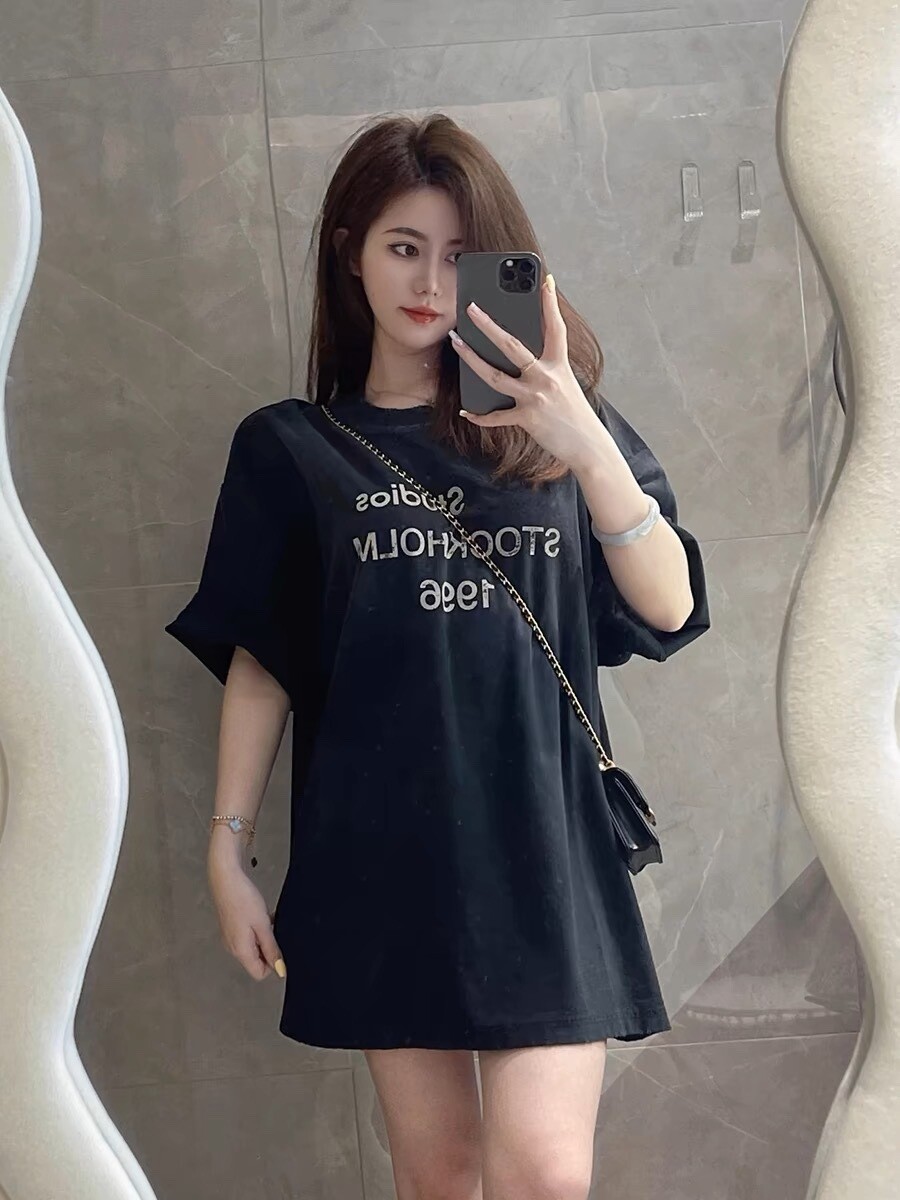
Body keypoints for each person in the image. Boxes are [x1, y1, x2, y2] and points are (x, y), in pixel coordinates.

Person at [165, 112, 710, 1200]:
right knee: (439, 1174)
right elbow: (267, 659)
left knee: (545, 1174)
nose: (428, 282)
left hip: (544, 840)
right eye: (403, 247)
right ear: (351, 253)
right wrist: (228, 851)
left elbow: (669, 603)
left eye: (459, 256)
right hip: (381, 848)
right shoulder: (291, 448)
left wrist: (584, 442)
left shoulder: (557, 430)